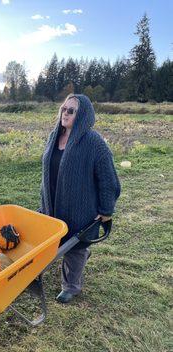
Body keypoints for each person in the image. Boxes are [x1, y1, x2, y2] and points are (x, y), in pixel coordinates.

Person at [38, 94, 121, 303]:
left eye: (71, 110)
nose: (65, 113)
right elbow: (46, 172)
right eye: (64, 109)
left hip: (80, 207)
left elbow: (108, 179)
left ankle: (71, 287)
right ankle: (80, 260)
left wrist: (106, 209)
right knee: (56, 241)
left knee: (74, 247)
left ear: (82, 115)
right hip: (53, 202)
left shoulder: (93, 142)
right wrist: (43, 201)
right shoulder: (54, 136)